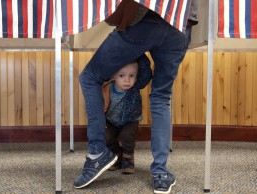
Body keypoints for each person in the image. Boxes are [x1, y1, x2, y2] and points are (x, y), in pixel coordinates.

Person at [74, 0, 198, 193]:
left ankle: (98, 153)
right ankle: (160, 173)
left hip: (148, 16)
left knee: (89, 77)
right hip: (181, 22)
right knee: (161, 97)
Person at [103, 54, 152, 174]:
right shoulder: (107, 88)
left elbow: (146, 73)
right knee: (107, 137)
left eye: (132, 76)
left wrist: (139, 53)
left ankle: (128, 158)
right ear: (114, 76)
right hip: (111, 120)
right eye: (121, 75)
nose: (127, 80)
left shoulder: (135, 87)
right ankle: (117, 156)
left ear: (136, 77)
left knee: (127, 137)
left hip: (130, 120)